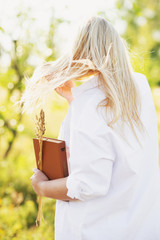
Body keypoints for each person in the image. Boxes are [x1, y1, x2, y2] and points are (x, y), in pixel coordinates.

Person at [27, 15, 160, 239]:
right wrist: (73, 100)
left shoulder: (91, 104)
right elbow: (116, 143)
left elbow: (89, 185)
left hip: (98, 230)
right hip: (141, 227)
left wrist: (42, 188)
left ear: (80, 50)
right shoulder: (139, 90)